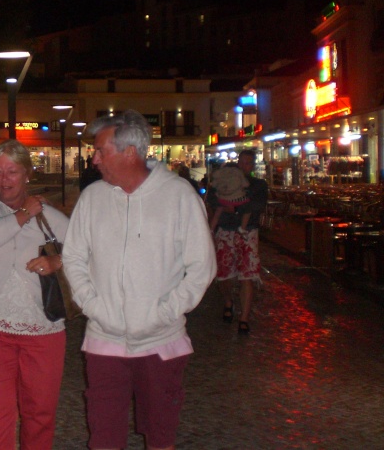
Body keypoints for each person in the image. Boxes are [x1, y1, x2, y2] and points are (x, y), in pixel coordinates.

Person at [63, 110, 216, 450]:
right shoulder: (93, 198)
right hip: (104, 339)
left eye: (101, 150)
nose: (94, 158)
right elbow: (73, 257)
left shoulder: (179, 196)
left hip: (161, 342)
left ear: (130, 152)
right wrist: (93, 304)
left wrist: (163, 313)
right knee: (103, 437)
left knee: (160, 436)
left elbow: (201, 267)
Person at [0, 139, 70, 450]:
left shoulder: (49, 215)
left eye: (12, 171)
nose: (4, 179)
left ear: (27, 174)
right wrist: (25, 212)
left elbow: (88, 249)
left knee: (40, 413)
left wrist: (57, 261)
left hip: (44, 330)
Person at [207, 149, 268, 334]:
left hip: (247, 232)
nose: (244, 166)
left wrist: (233, 209)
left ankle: (244, 317)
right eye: (242, 161)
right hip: (225, 231)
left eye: (249, 163)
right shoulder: (226, 177)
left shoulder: (258, 185)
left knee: (247, 275)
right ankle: (228, 300)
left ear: (253, 165)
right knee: (224, 275)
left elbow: (258, 205)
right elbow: (212, 197)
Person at [208, 163, 251, 233]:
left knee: (217, 213)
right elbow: (246, 184)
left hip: (222, 198)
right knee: (248, 209)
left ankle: (211, 229)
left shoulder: (220, 174)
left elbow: (214, 185)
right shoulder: (238, 172)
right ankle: (243, 228)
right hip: (236, 199)